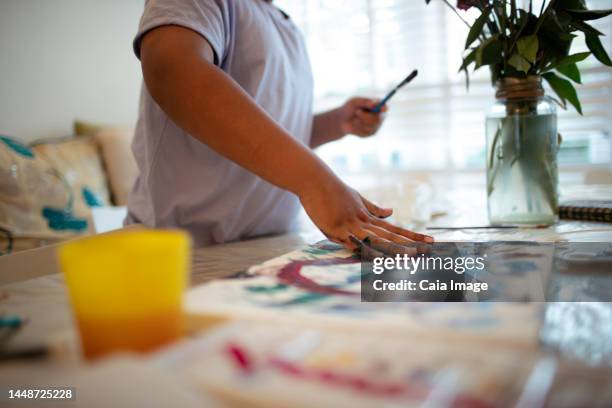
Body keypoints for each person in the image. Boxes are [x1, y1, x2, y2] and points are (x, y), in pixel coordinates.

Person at [126, 0, 433, 249]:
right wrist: (315, 181)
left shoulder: (287, 27)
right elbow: (173, 72)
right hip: (179, 250)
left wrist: (338, 122)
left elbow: (277, 134)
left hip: (268, 245)